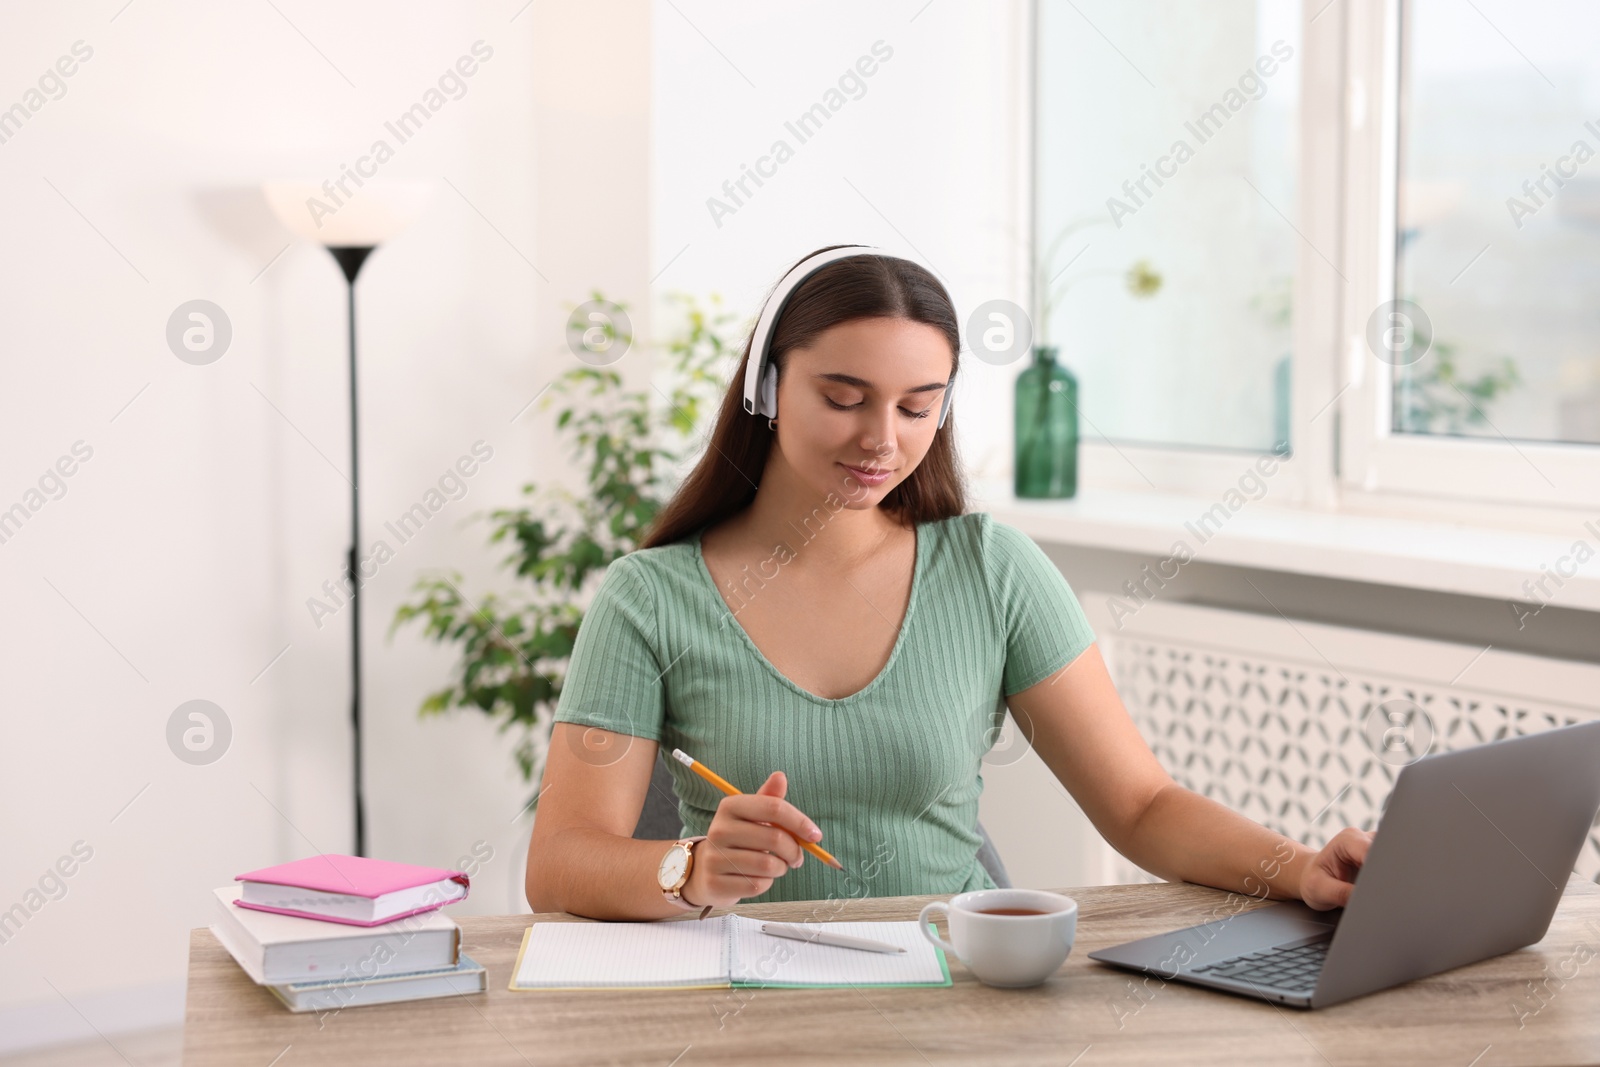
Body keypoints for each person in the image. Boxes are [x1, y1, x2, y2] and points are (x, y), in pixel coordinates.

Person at [524, 245, 1373, 921]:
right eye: (845, 396)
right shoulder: (649, 597)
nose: (881, 440)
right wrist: (696, 866)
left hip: (948, 993)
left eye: (916, 405)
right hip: (739, 998)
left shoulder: (991, 570)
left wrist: (1298, 870)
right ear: (767, 386)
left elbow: (1142, 806)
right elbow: (559, 861)